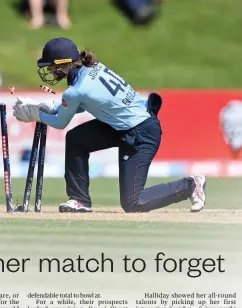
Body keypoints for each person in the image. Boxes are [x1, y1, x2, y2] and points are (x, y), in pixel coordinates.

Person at [12, 37, 207, 213]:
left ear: (64, 64)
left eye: (51, 66)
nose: (49, 70)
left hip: (142, 133)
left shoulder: (76, 90)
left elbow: (61, 122)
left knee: (133, 203)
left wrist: (37, 114)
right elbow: (87, 103)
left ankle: (190, 185)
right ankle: (80, 201)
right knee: (76, 139)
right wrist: (54, 107)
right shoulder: (93, 67)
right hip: (122, 126)